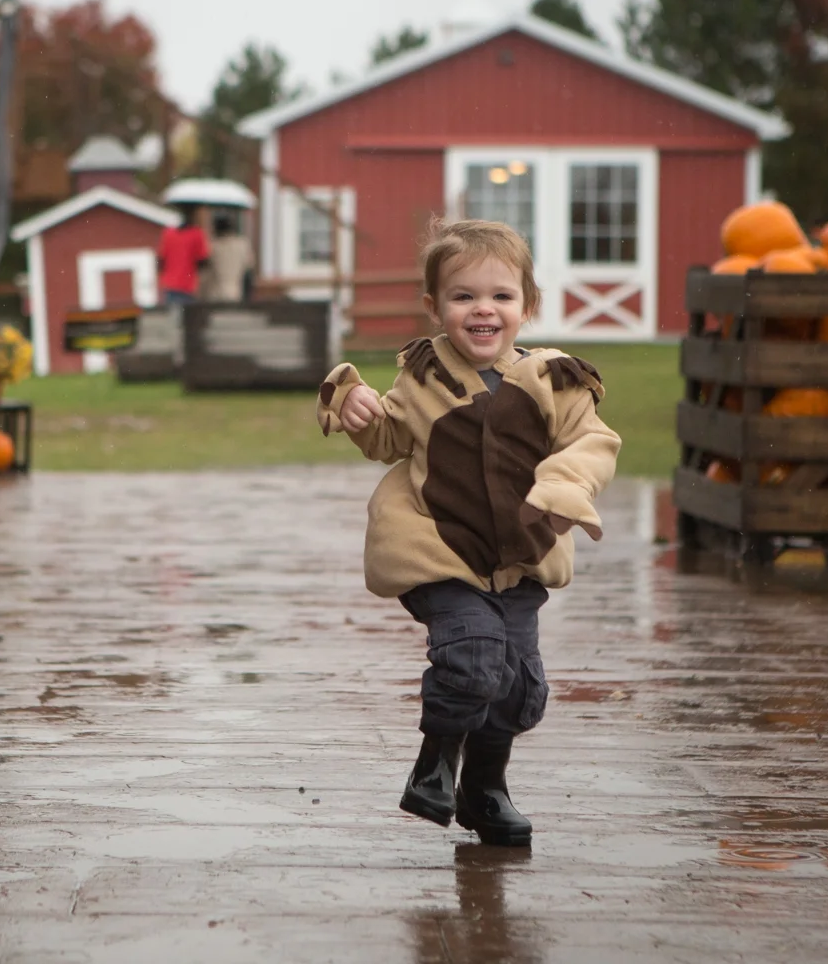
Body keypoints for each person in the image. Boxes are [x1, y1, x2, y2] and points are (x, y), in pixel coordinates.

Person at [314, 218, 621, 846]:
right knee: (472, 656)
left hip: (518, 558)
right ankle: (435, 766)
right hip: (438, 548)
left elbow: (594, 444)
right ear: (435, 307)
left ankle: (485, 790)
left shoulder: (555, 382)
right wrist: (353, 405)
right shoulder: (423, 377)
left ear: (527, 306)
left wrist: (565, 489)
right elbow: (387, 436)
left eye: (501, 296)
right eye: (463, 296)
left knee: (517, 688)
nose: (483, 309)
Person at [157, 204, 210, 306]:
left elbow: (160, 260)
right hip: (187, 286)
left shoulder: (168, 234)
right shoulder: (197, 234)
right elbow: (203, 261)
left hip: (169, 285)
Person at [204, 214, 256, 302]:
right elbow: (250, 265)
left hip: (215, 294)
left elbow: (205, 267)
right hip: (235, 293)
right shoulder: (242, 244)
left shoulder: (212, 246)